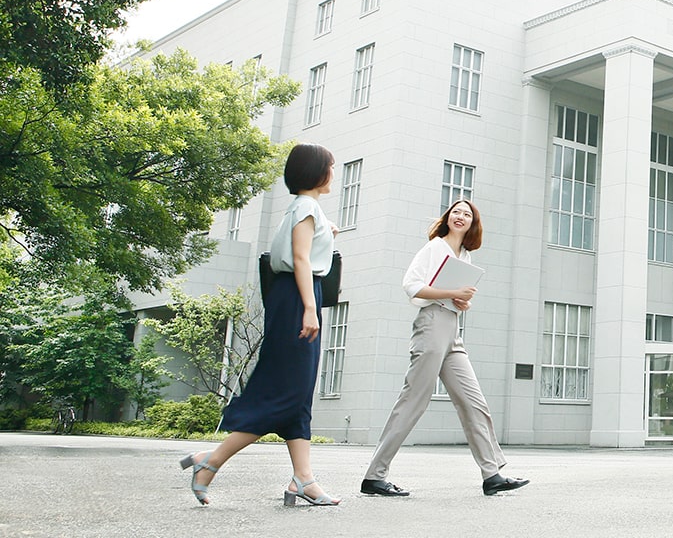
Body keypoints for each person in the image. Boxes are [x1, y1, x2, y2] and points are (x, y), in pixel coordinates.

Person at [179, 142, 341, 507]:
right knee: (284, 393)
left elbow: (304, 248)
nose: (334, 171)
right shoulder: (306, 207)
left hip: (293, 297)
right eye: (331, 166)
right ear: (317, 171)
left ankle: (303, 479)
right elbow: (300, 258)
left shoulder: (301, 208)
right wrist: (310, 309)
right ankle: (211, 460)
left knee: (296, 394)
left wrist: (327, 230)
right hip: (298, 299)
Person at [360, 198, 530, 498]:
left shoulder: (463, 255)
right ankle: (375, 476)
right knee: (414, 400)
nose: (460, 216)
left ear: (473, 223)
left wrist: (461, 301)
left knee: (473, 401)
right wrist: (452, 292)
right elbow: (412, 286)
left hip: (451, 328)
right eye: (456, 212)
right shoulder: (434, 247)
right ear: (447, 218)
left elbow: (451, 296)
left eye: (467, 214)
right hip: (431, 325)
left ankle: (492, 475)